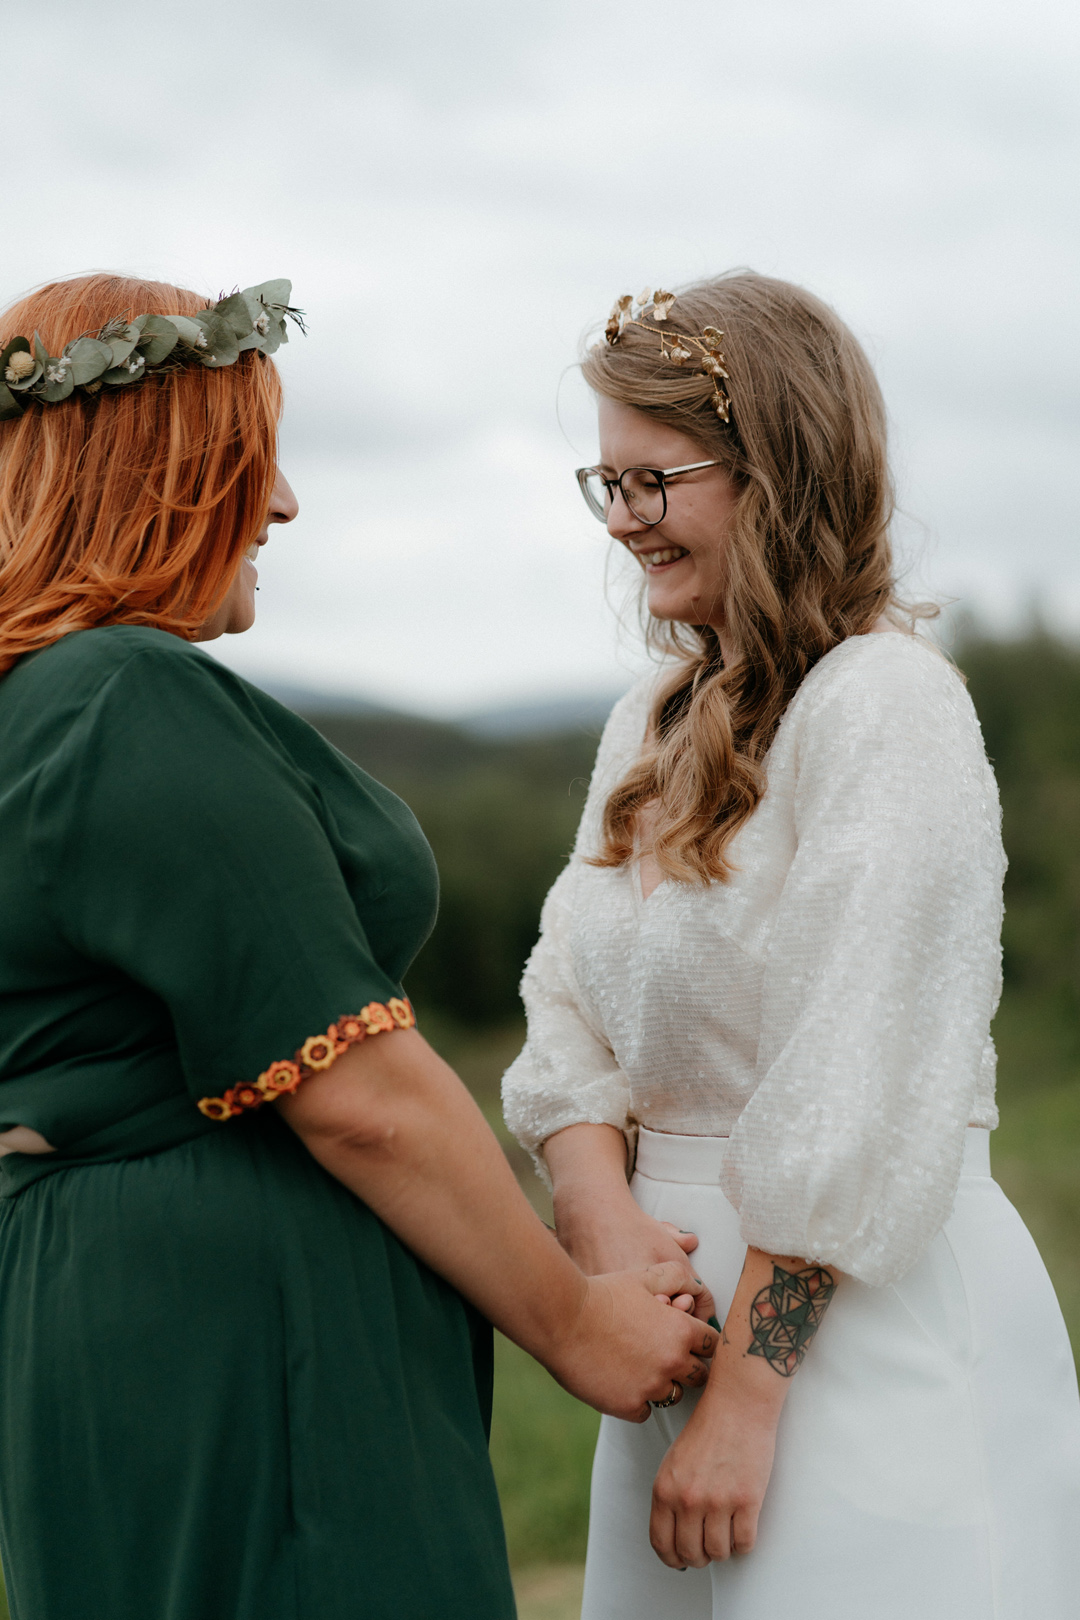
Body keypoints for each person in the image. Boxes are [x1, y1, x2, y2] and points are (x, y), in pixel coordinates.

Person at [0, 272, 718, 1620]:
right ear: (153, 473)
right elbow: (362, 1097)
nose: (278, 503)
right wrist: (574, 1320)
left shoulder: (29, 704)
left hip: (110, 1307)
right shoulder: (119, 697)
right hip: (247, 1344)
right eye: (245, 460)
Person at [503, 273, 1080, 1619]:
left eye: (656, 481)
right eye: (607, 486)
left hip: (846, 1342)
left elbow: (861, 1066)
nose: (625, 523)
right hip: (667, 1323)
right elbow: (562, 997)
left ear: (781, 467)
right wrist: (601, 1222)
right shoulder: (650, 716)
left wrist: (749, 1401)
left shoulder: (887, 708)